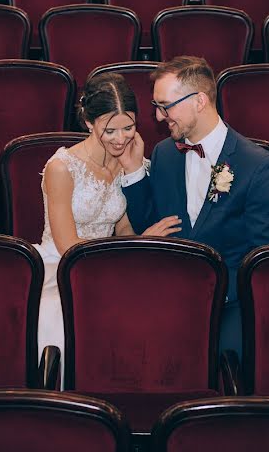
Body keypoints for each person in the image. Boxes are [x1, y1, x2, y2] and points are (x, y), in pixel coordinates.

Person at [119, 56, 269, 356]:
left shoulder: (259, 166)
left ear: (199, 100)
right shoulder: (164, 154)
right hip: (166, 293)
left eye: (165, 106)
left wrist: (217, 295)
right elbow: (152, 223)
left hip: (230, 304)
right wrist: (134, 173)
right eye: (156, 107)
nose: (159, 117)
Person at [35, 72, 182, 367]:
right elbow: (68, 246)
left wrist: (132, 169)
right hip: (63, 265)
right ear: (89, 123)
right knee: (61, 314)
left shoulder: (129, 160)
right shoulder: (62, 167)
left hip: (109, 262)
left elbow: (123, 228)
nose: (120, 139)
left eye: (128, 127)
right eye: (110, 130)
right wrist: (134, 245)